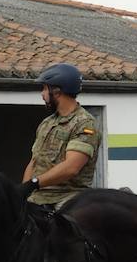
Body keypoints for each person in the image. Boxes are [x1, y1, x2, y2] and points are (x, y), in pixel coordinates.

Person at [20, 63, 99, 210]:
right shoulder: (47, 123)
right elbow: (34, 161)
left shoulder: (84, 123)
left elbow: (71, 168)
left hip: (68, 199)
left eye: (44, 88)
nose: (42, 94)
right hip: (37, 197)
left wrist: (34, 183)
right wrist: (22, 192)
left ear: (57, 91)